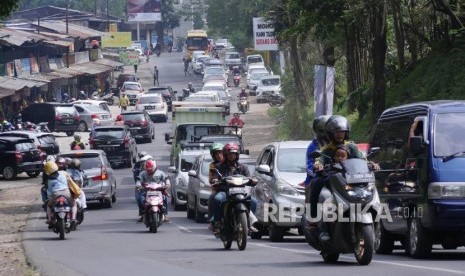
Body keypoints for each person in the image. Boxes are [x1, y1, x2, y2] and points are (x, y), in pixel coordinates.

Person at [209, 143, 256, 234]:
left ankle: (249, 223)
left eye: (233, 154)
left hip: (241, 192)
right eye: (230, 154)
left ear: (237, 155)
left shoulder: (243, 167)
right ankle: (217, 222)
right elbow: (213, 177)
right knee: (217, 199)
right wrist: (215, 180)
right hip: (225, 191)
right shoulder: (219, 167)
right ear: (226, 155)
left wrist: (253, 181)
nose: (231, 156)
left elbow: (249, 178)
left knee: (253, 202)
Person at [44, 160, 77, 230]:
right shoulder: (63, 173)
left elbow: (49, 191)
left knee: (49, 205)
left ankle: (50, 220)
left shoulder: (49, 179)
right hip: (66, 192)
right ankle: (73, 218)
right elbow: (69, 182)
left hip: (56, 194)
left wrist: (49, 197)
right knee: (74, 204)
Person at [207, 143, 224, 228]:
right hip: (218, 189)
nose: (219, 155)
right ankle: (211, 220)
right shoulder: (213, 166)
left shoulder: (230, 163)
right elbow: (211, 178)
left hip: (231, 188)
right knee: (212, 198)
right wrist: (214, 180)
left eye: (220, 153)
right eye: (216, 154)